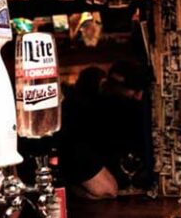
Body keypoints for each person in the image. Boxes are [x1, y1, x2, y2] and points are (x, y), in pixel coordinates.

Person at [56, 60, 152, 198]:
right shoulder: (79, 106)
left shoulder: (128, 107)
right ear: (115, 82)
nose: (138, 96)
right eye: (134, 89)